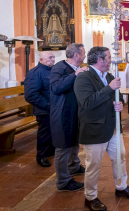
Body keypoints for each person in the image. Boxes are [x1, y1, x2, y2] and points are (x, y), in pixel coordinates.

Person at [74, 47, 129, 211]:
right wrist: (109, 88)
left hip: (113, 127)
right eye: (109, 57)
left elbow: (118, 97)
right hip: (94, 129)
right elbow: (87, 103)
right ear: (100, 60)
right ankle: (90, 197)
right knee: (94, 165)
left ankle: (121, 186)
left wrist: (119, 104)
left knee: (120, 157)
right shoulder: (84, 78)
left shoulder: (109, 76)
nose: (112, 60)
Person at [50, 44, 88, 192]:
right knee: (63, 146)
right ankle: (63, 181)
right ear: (76, 55)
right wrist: (76, 75)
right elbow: (55, 88)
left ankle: (74, 166)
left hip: (74, 112)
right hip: (62, 114)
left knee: (74, 142)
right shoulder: (59, 68)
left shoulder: (75, 68)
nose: (84, 56)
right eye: (83, 53)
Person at [24, 51, 56, 167]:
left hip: (54, 109)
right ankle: (41, 156)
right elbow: (31, 95)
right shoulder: (35, 73)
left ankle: (50, 152)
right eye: (49, 57)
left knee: (54, 133)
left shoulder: (54, 71)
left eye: (53, 57)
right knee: (45, 134)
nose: (52, 59)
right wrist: (48, 105)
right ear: (41, 59)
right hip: (44, 109)